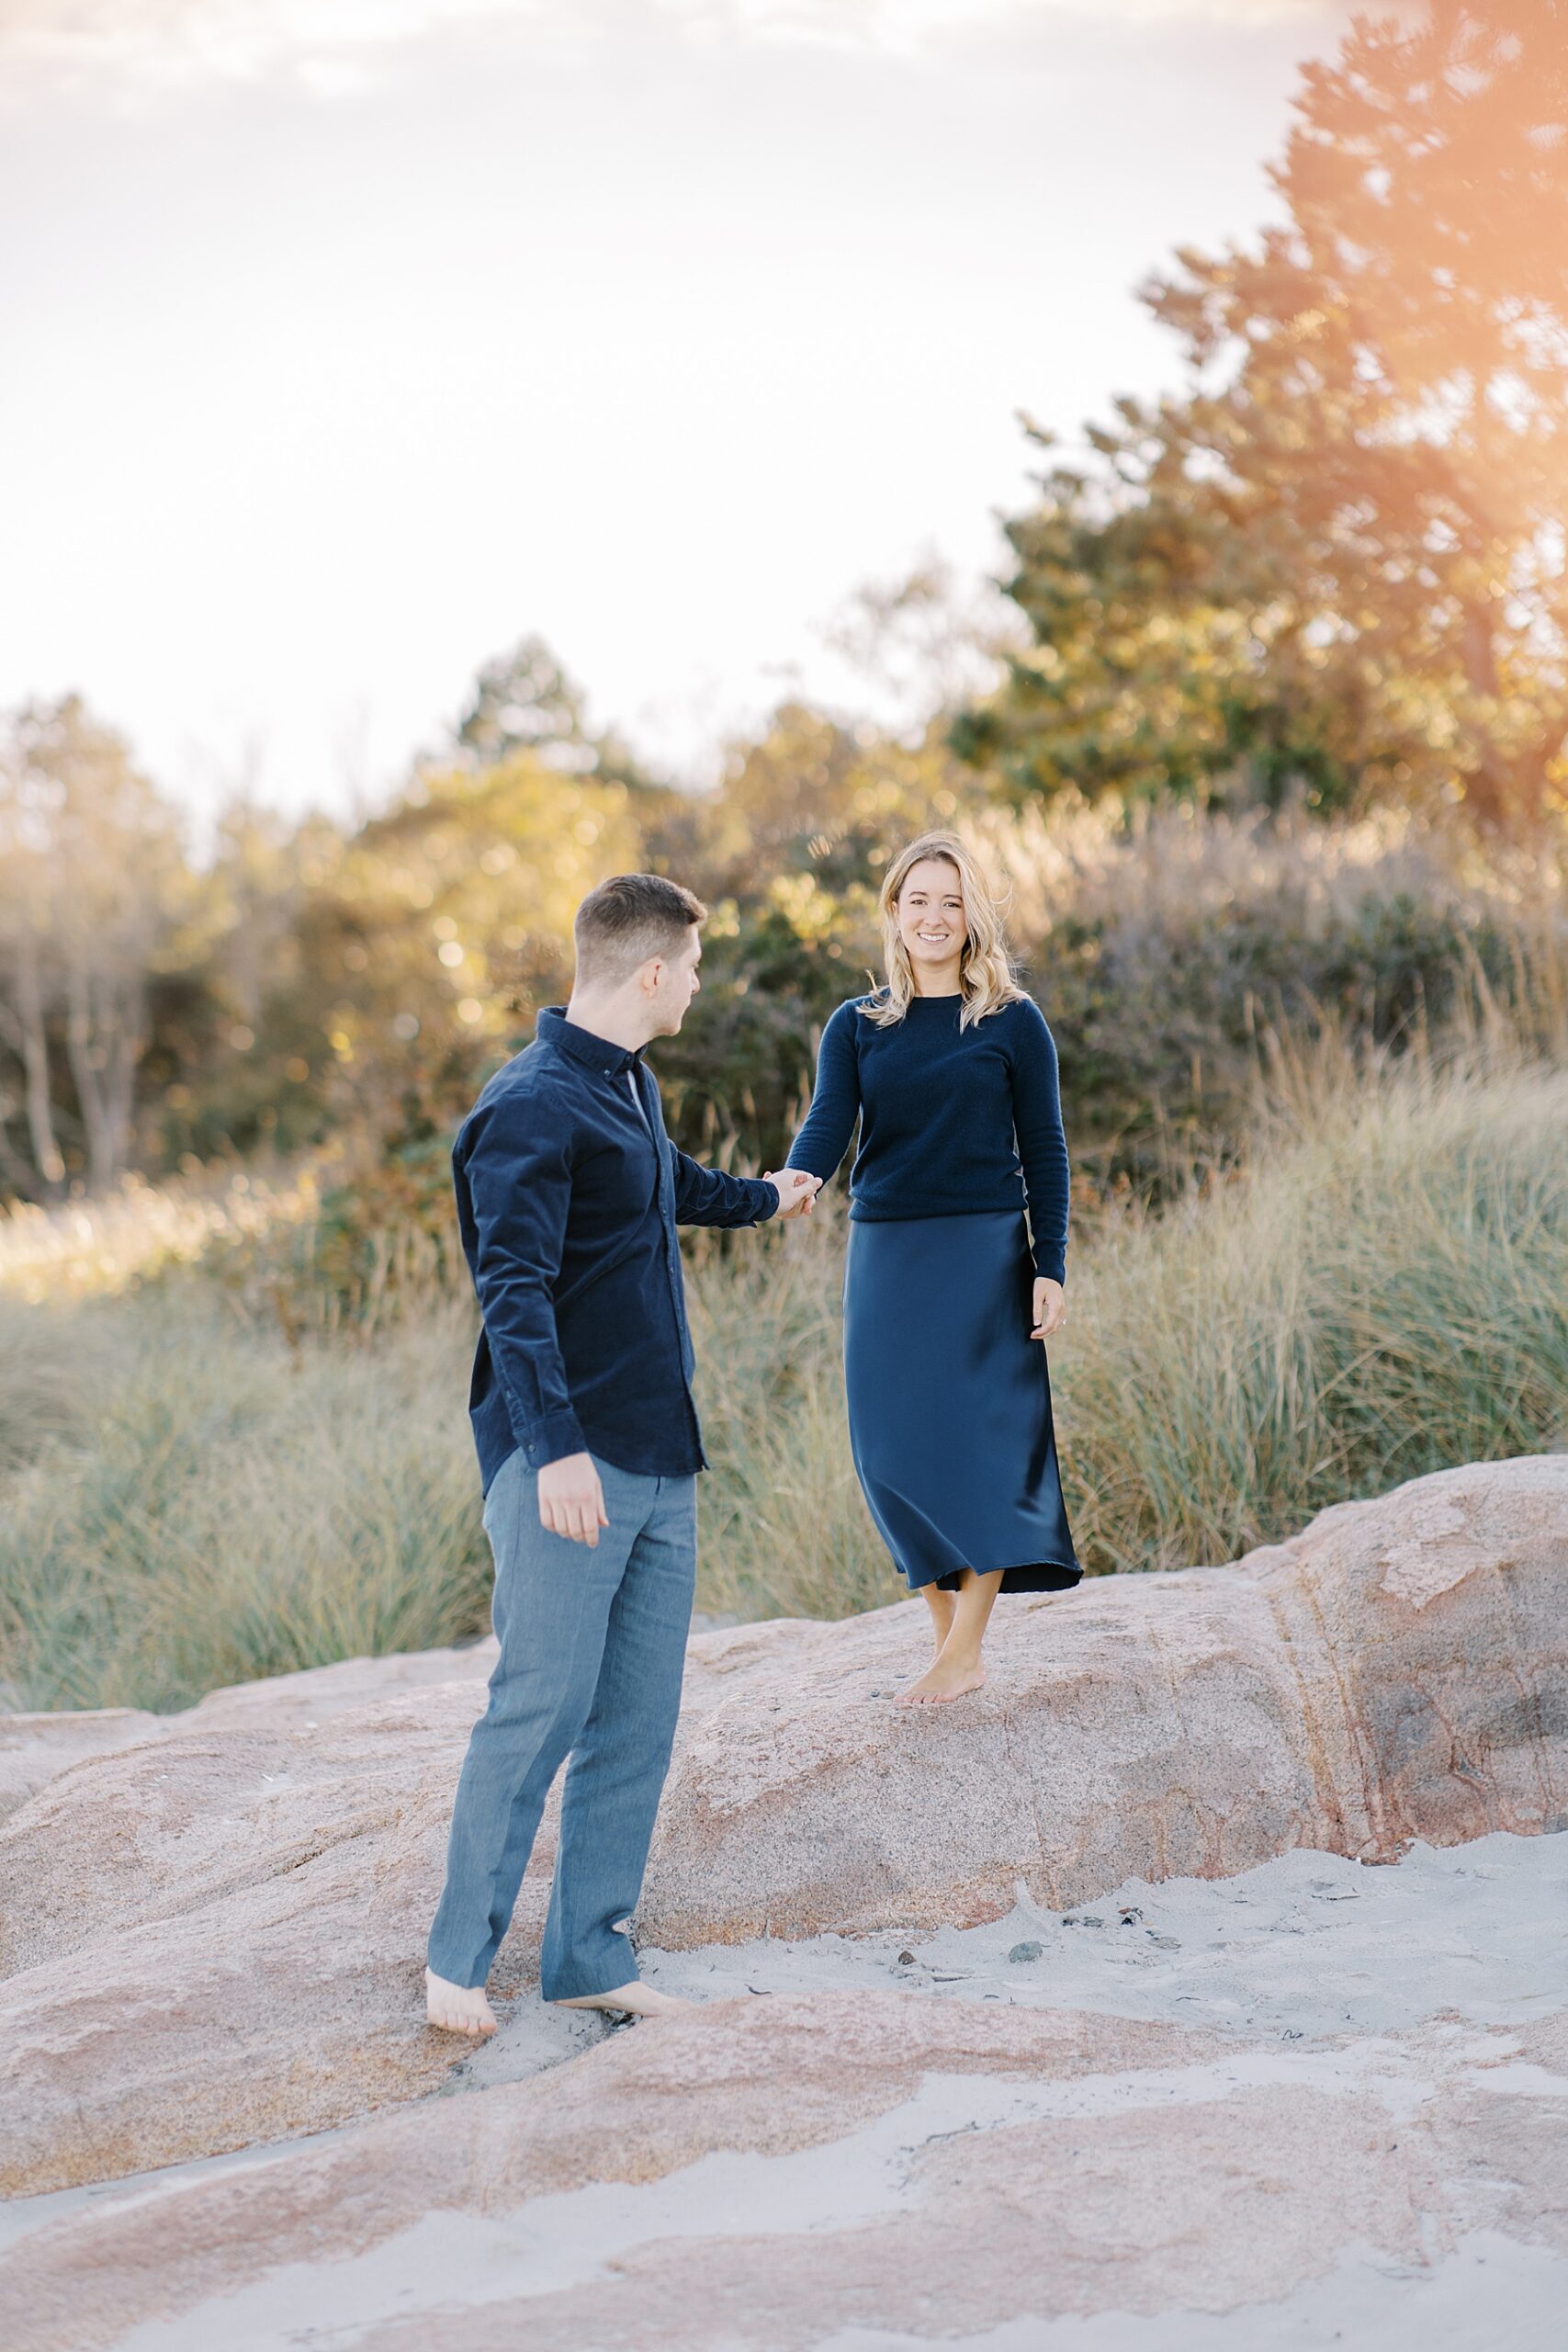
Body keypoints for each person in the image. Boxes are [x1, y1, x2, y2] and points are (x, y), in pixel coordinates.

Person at [425, 872, 820, 2038]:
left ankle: (589, 1955)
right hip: (569, 1464)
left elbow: (663, 1193)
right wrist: (554, 1451)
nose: (698, 983)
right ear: (651, 970)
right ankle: (455, 1963)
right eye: (693, 966)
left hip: (659, 1454)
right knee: (537, 1706)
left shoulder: (630, 1083)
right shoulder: (530, 1103)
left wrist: (765, 1198)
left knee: (637, 1720)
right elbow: (510, 1288)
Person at [786, 829, 1079, 1705]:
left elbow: (1047, 1151)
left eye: (950, 901)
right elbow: (828, 1124)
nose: (933, 917)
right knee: (889, 1452)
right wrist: (790, 1183)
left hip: (985, 1249)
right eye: (917, 900)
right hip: (888, 1252)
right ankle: (945, 1637)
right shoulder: (858, 1024)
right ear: (893, 912)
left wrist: (1049, 1262)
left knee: (987, 1446)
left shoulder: (1012, 1021)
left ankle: (967, 1646)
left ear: (972, 915)